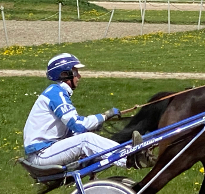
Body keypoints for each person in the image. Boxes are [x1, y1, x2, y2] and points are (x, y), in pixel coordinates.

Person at [23, 53, 152, 169]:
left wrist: (95, 125)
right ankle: (128, 157)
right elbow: (78, 125)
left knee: (88, 138)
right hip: (40, 154)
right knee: (86, 140)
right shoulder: (56, 94)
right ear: (65, 74)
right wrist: (104, 116)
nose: (79, 76)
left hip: (46, 150)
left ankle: (131, 152)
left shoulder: (57, 93)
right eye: (75, 72)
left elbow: (69, 131)